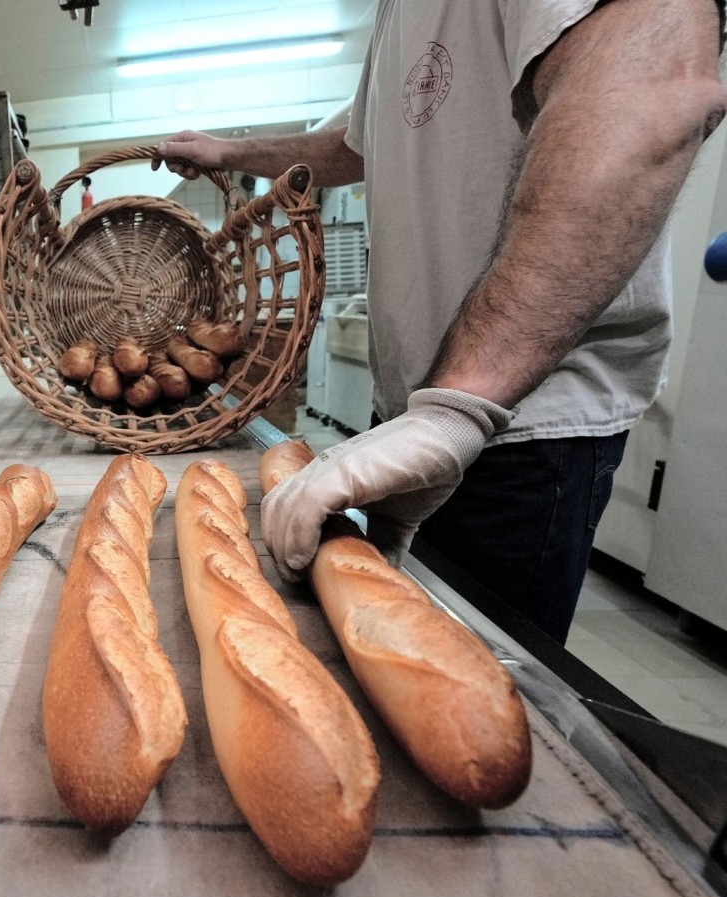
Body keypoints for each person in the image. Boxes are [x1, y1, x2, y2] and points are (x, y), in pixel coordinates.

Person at [155, 0, 726, 644]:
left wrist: (457, 409)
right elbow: (351, 145)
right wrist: (229, 151)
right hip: (412, 418)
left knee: (482, 687)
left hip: (521, 425)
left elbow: (647, 96)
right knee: (392, 647)